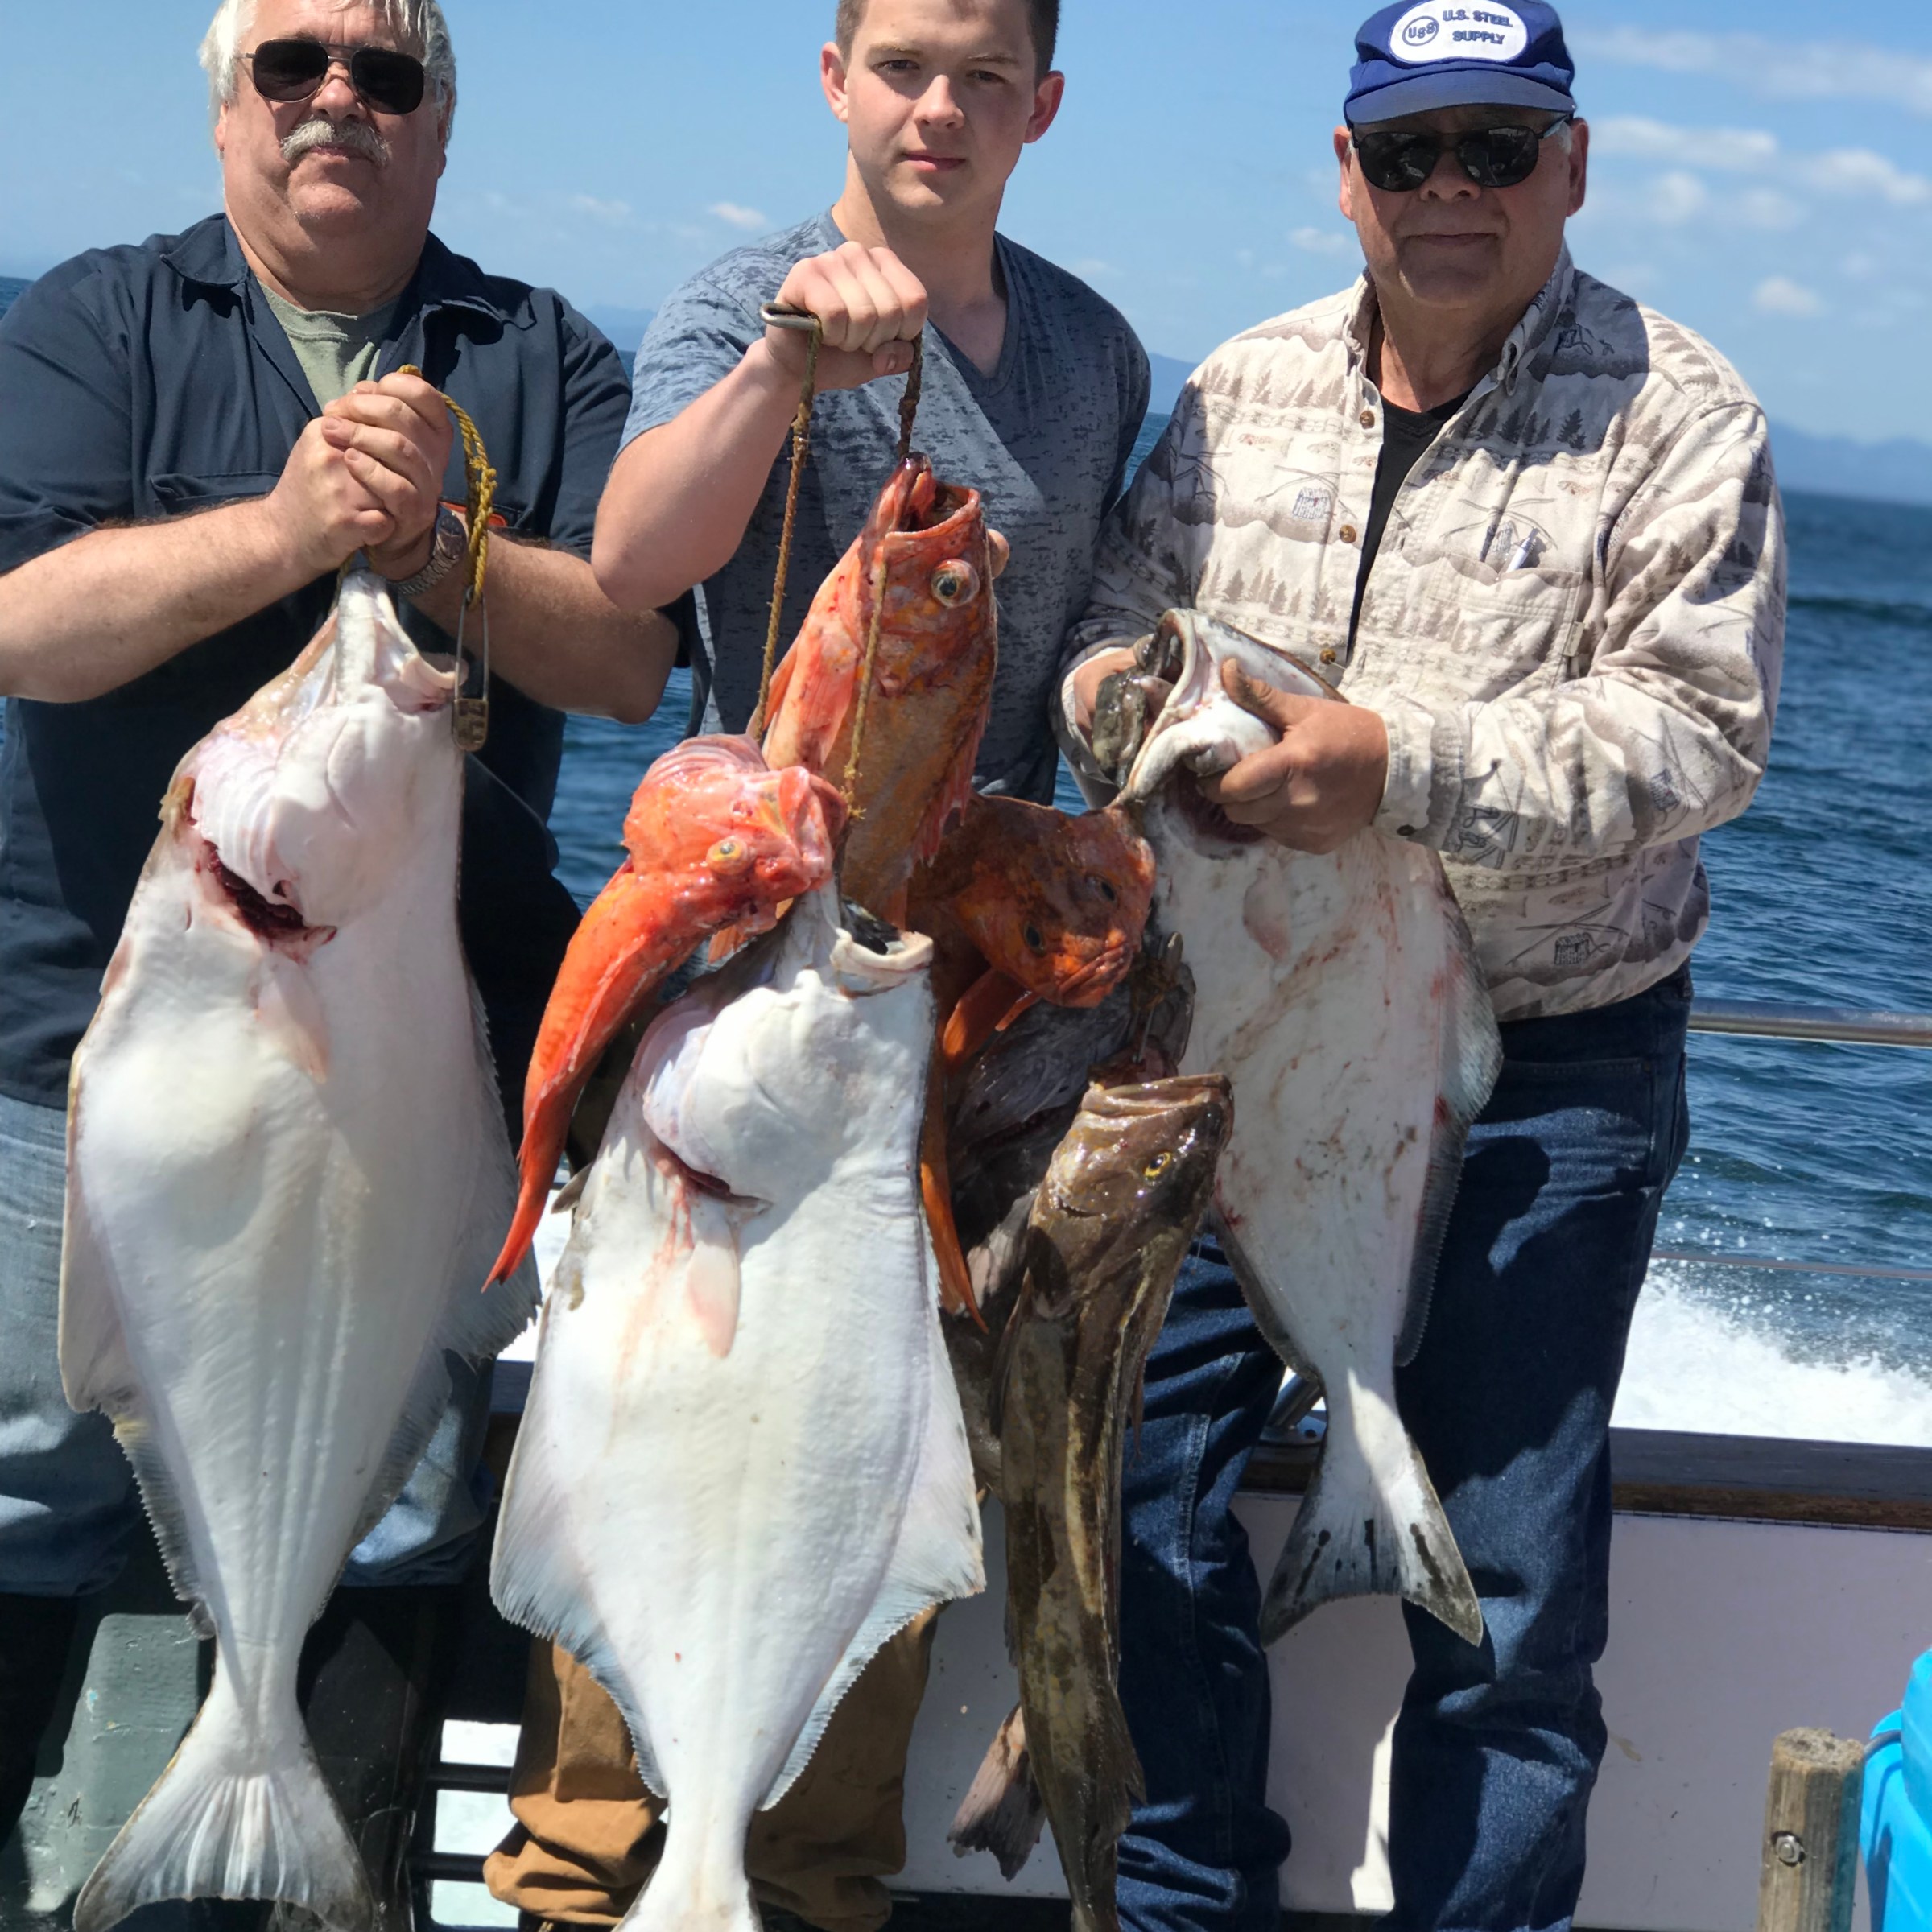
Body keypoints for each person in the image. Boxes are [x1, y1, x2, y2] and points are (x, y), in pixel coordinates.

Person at [1060, 5, 1785, 1929]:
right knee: (1142, 1504)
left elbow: (1698, 733)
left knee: (1514, 1591)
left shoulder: (1683, 409)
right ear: (1347, 169)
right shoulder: (1242, 385)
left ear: (1571, 165)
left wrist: (1395, 765)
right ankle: (1179, 1901)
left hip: (1549, 1070)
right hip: (1234, 1052)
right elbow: (1124, 629)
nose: (1447, 189)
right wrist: (1114, 700)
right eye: (1409, 151)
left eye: (1493, 146)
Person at [0, 0, 675, 1913]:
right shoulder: (94, 322)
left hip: (415, 1076)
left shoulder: (535, 356)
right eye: (290, 63)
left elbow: (633, 657)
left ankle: (317, 1864)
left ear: (441, 130)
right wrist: (295, 529)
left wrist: (453, 553)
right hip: (72, 1060)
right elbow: (24, 621)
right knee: (31, 1489)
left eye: (386, 76)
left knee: (382, 1520)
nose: (335, 102)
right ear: (225, 109)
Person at [484, 3, 1147, 1929]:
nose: (941, 106)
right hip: (735, 1007)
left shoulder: (1097, 352)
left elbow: (1101, 619)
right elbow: (627, 561)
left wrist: (1117, 727)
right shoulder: (733, 301)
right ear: (838, 78)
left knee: (858, 1516)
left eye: (984, 74)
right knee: (649, 1473)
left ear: (1043, 104)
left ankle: (808, 1873)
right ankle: (610, 1866)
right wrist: (787, 365)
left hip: (939, 1026)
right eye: (905, 64)